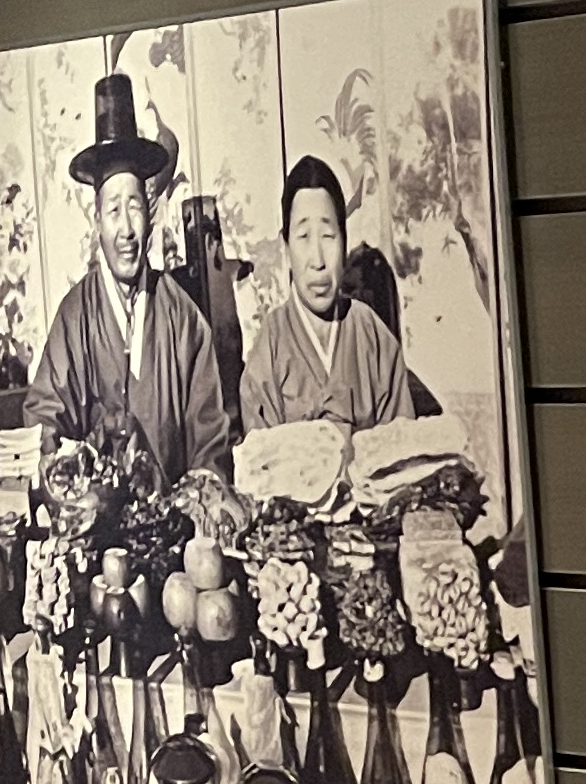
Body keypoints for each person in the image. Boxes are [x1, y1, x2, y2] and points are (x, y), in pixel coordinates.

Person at [26, 71, 232, 499]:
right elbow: (44, 420)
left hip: (174, 524)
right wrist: (67, 478)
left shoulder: (183, 319)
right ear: (96, 221)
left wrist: (194, 501)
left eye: (134, 206)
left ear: (150, 214)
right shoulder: (74, 318)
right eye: (113, 210)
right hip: (94, 527)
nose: (126, 229)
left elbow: (211, 444)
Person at [242, 155, 409, 433]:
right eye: (304, 237)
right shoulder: (269, 348)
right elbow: (261, 454)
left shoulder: (372, 337)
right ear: (286, 248)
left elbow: (402, 445)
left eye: (328, 236)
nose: (318, 261)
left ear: (344, 241)